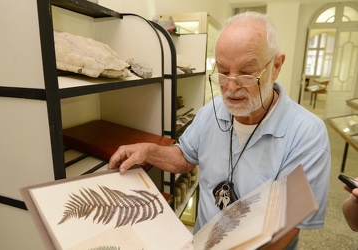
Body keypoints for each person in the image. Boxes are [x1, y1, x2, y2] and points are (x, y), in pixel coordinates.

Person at [108, 11, 331, 249]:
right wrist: (149, 151)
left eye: (246, 72)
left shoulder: (307, 134)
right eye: (223, 72)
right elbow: (185, 156)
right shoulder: (212, 111)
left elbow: (287, 228)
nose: (231, 87)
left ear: (276, 66)